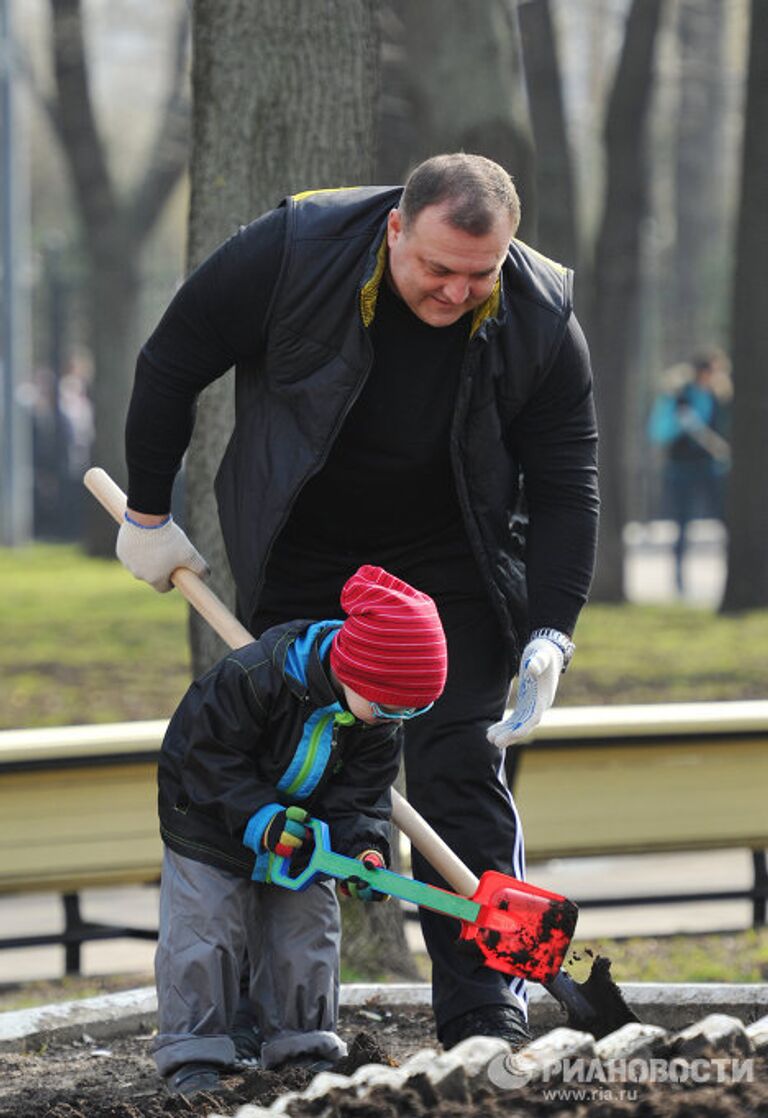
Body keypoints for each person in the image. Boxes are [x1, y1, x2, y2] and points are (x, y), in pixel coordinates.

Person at [117, 153, 599, 1052]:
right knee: (286, 777)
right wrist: (148, 512)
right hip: (308, 557)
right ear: (395, 229)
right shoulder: (295, 250)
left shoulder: (538, 312)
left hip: (451, 561)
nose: (457, 291)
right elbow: (172, 359)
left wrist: (549, 632)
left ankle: (486, 1011)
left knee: (461, 771)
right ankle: (274, 1018)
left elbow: (569, 479)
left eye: (479, 273)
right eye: (437, 268)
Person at [153, 563, 448, 1095]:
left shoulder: (379, 722)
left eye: (414, 709)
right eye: (389, 705)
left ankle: (304, 1046)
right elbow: (205, 761)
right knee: (206, 934)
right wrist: (260, 819)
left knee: (309, 930)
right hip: (209, 826)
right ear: (352, 669)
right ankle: (195, 1056)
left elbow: (362, 798)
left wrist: (364, 849)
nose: (395, 718)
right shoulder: (253, 678)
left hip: (306, 839)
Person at [647, 349, 731, 594]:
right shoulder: (679, 397)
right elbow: (658, 432)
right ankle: (679, 581)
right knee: (682, 525)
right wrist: (680, 423)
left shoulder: (720, 399)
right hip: (680, 469)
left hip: (712, 469)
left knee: (725, 521)